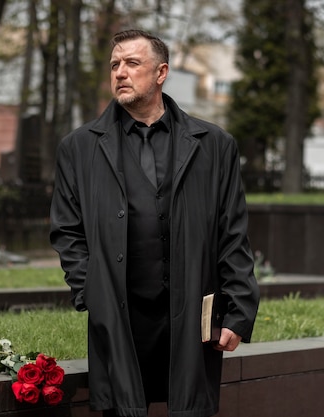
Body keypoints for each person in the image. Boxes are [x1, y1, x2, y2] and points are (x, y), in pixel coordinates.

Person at [50, 29, 260, 417]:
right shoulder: (78, 148)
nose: (120, 73)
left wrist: (239, 310)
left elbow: (232, 232)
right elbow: (67, 231)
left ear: (161, 73)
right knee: (121, 406)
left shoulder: (214, 144)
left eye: (132, 63)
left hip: (189, 306)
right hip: (119, 310)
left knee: (190, 406)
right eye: (115, 65)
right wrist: (89, 291)